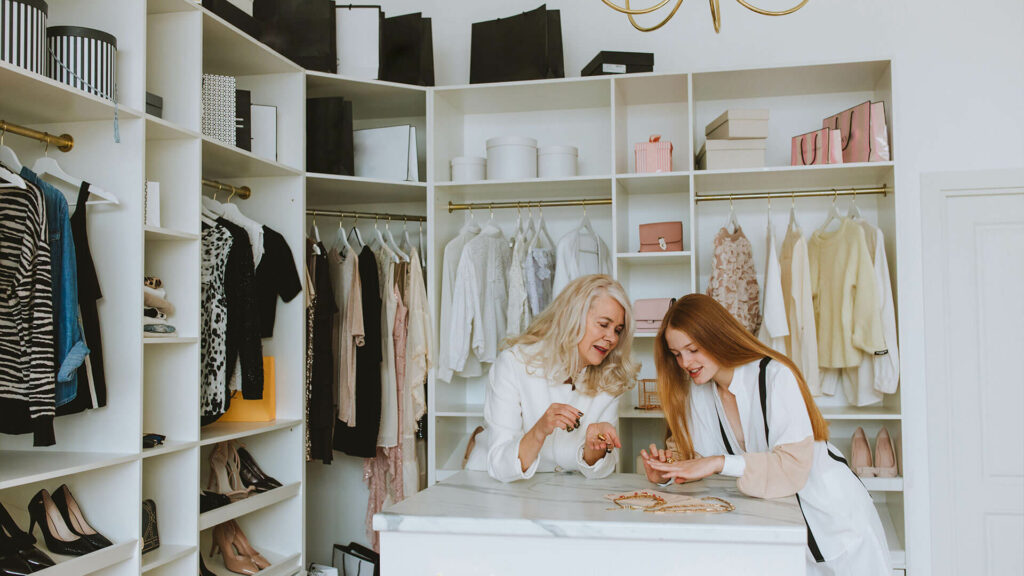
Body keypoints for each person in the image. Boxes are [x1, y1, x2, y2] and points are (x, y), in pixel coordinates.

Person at [642, 294, 890, 575]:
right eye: (677, 354)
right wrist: (667, 471)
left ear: (716, 337)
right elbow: (691, 455)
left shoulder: (774, 376)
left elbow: (791, 467)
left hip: (834, 517)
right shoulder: (697, 392)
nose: (685, 362)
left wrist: (719, 462)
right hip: (778, 524)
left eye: (693, 349)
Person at [466, 274, 639, 482]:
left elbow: (601, 470)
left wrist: (595, 449)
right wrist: (540, 430)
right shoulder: (514, 364)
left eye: (618, 330)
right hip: (490, 488)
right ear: (573, 317)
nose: (612, 338)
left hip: (559, 497)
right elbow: (500, 465)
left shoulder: (610, 379)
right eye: (603, 325)